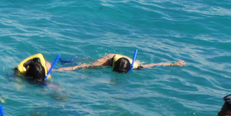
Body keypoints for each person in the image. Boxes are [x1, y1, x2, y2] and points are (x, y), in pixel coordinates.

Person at [55, 52, 185, 73]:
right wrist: (59, 70)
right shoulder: (107, 62)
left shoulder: (135, 66)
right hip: (111, 57)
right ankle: (70, 60)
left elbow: (156, 64)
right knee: (90, 65)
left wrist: (174, 63)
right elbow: (82, 67)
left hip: (123, 61)